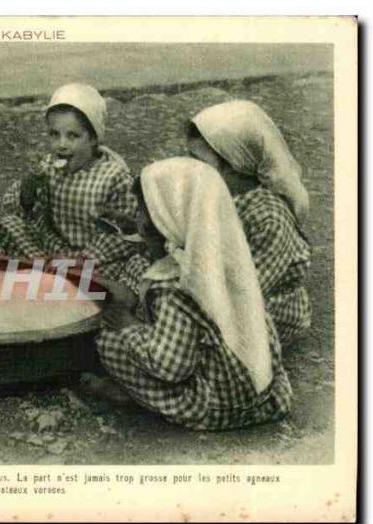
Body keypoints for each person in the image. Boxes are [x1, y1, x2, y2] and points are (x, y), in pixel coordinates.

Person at [95, 157, 292, 430]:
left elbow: (170, 367)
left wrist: (129, 328)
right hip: (266, 394)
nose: (137, 216)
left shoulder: (174, 288)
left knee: (109, 342)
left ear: (161, 221)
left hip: (220, 407)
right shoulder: (227, 256)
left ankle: (138, 398)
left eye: (141, 210)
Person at [187, 100, 311, 344]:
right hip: (216, 287)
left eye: (200, 162)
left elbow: (245, 291)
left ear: (236, 165)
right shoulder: (216, 194)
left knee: (192, 339)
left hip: (262, 309)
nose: (192, 169)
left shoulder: (269, 218)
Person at [0, 83, 138, 280]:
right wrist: (30, 186)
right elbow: (19, 208)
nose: (61, 145)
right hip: (54, 248)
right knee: (6, 224)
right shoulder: (49, 166)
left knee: (132, 266)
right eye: (54, 134)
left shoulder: (114, 177)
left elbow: (124, 234)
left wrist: (83, 259)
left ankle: (60, 275)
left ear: (93, 139)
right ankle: (49, 270)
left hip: (93, 257)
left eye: (72, 136)